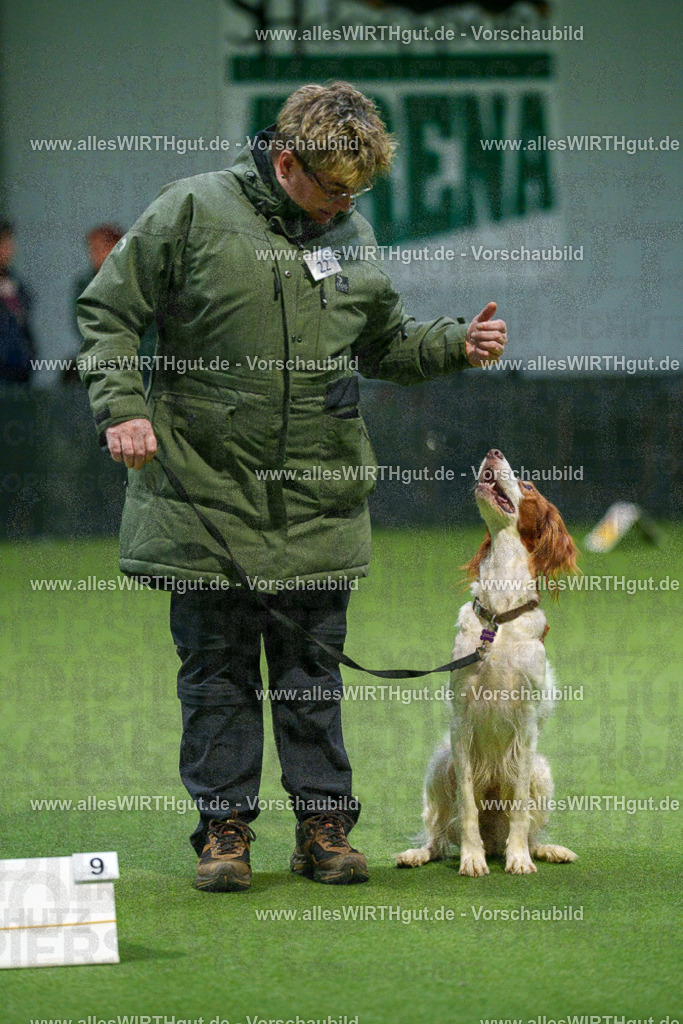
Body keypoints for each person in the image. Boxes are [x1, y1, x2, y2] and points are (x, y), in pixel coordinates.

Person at [77, 81, 508, 893]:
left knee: (313, 677)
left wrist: (456, 343)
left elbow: (382, 343)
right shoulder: (191, 211)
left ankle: (323, 828)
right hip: (205, 497)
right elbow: (107, 310)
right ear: (285, 162)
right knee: (216, 676)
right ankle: (224, 834)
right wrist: (123, 408)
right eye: (332, 189)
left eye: (357, 191)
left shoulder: (349, 233)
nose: (342, 206)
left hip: (318, 498)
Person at [62, 225, 123, 385]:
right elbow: (82, 324)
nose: (93, 255)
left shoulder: (136, 280)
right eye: (92, 249)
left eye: (99, 249)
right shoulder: (84, 286)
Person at [0, 220, 36, 384]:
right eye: (4, 242)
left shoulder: (15, 284)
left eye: (9, 242)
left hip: (20, 373)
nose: (9, 249)